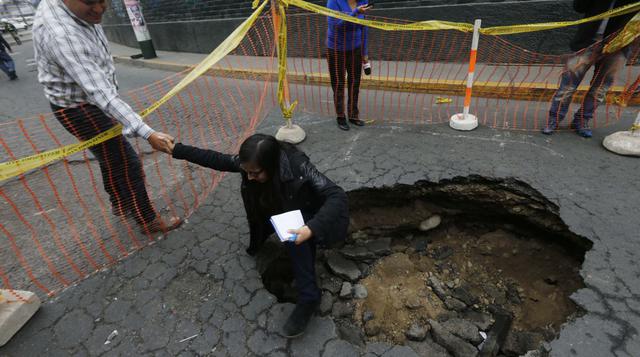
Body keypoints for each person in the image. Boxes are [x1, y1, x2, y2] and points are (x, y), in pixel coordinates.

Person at [169, 134, 349, 338]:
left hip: (310, 214)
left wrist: (311, 228)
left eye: (254, 173)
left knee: (292, 237)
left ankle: (309, 297)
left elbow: (337, 195)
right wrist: (176, 149)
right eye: (246, 172)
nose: (248, 177)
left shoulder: (298, 165)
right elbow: (216, 159)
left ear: (271, 164)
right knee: (285, 226)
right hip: (280, 209)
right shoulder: (251, 164)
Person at [33, 0, 179, 233]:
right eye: (89, 2)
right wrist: (148, 133)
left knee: (110, 156)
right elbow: (102, 94)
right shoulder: (61, 34)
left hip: (87, 101)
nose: (100, 8)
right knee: (126, 161)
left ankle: (120, 203)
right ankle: (147, 219)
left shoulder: (77, 14)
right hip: (79, 108)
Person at [543, 0, 637, 138]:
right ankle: (554, 119)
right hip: (587, 41)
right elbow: (579, 6)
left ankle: (582, 121)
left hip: (619, 46)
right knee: (568, 85)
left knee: (600, 89)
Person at [326, 0, 371, 131]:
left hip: (355, 48)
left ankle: (353, 115)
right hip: (336, 49)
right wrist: (356, 12)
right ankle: (340, 116)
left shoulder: (363, 2)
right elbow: (336, 26)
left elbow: (364, 28)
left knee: (354, 82)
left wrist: (365, 52)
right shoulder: (333, 2)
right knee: (339, 83)